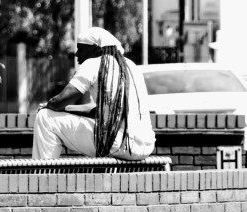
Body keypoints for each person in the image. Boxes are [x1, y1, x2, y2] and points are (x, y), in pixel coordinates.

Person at [32, 27, 155, 160]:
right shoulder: (130, 65)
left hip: (118, 144)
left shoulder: (94, 63)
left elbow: (60, 101)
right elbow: (102, 111)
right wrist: (67, 109)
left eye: (80, 48)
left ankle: (42, 175)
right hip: (144, 146)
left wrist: (50, 105)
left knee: (45, 117)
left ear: (96, 49)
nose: (77, 54)